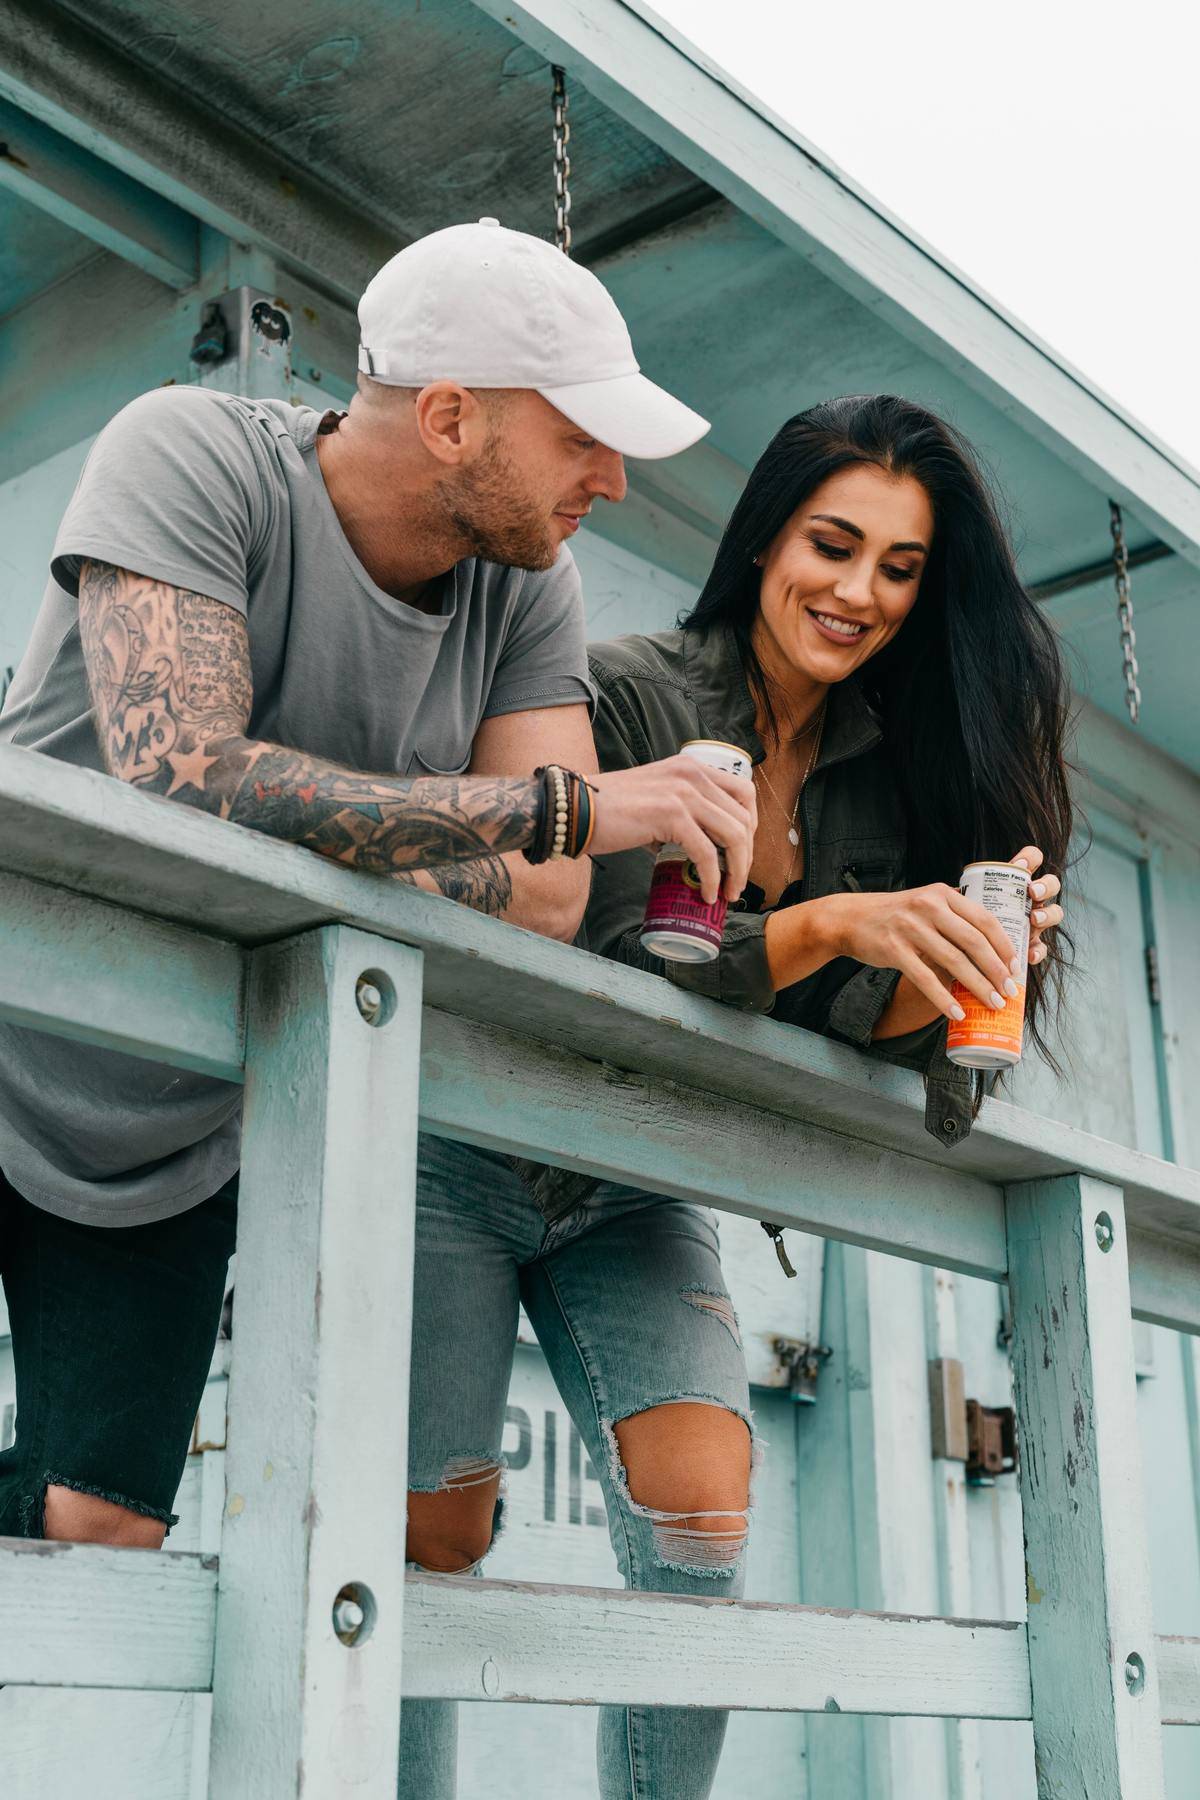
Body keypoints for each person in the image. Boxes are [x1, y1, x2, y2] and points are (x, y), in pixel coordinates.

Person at [0, 218, 758, 1560]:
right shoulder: (188, 453)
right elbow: (179, 770)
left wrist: (523, 837)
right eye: (585, 436)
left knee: (94, 1526)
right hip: (16, 1015)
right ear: (455, 416)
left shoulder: (528, 593)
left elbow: (545, 900)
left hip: (169, 1133)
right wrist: (556, 805)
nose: (616, 479)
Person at [413, 394, 1071, 1800]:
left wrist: (952, 962)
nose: (860, 594)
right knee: (432, 1540)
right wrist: (834, 925)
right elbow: (582, 929)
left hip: (637, 1176)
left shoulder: (883, 778)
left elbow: (865, 1041)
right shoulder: (625, 686)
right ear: (768, 533)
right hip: (461, 1150)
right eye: (836, 545)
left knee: (702, 1522)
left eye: (900, 569)